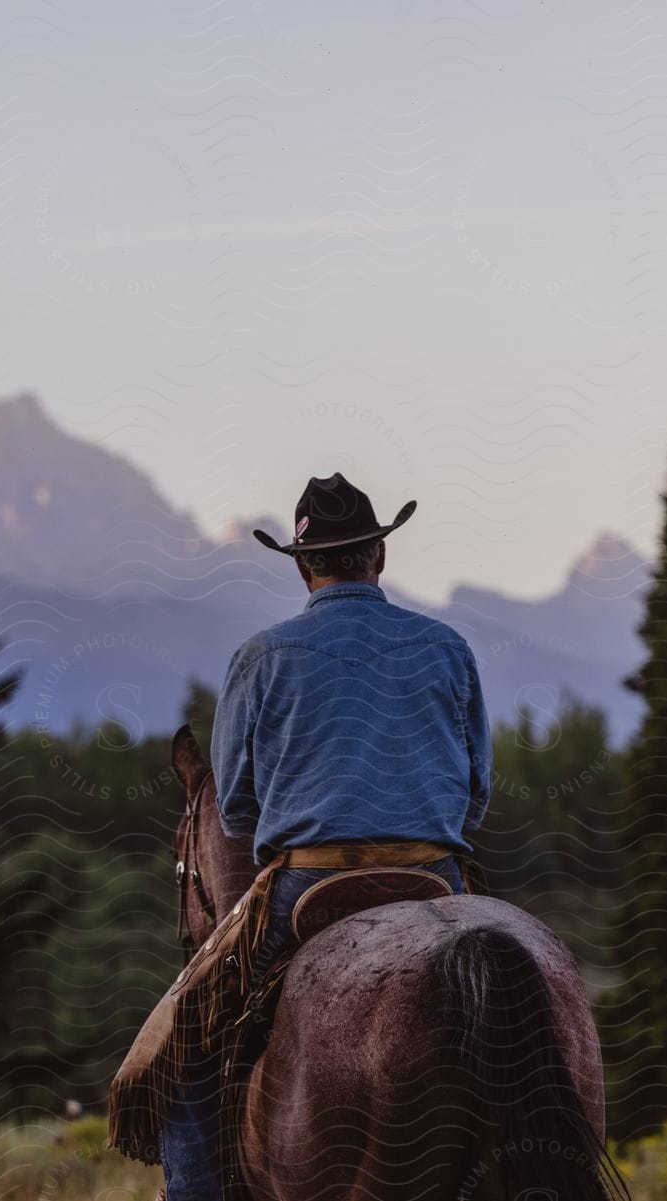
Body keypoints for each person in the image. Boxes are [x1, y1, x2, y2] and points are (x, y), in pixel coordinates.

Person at [157, 473, 491, 1201]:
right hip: (438, 876)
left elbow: (238, 810)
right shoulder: (447, 645)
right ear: (378, 555)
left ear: (304, 567)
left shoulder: (261, 656)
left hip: (307, 885)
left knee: (186, 1041)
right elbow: (476, 795)